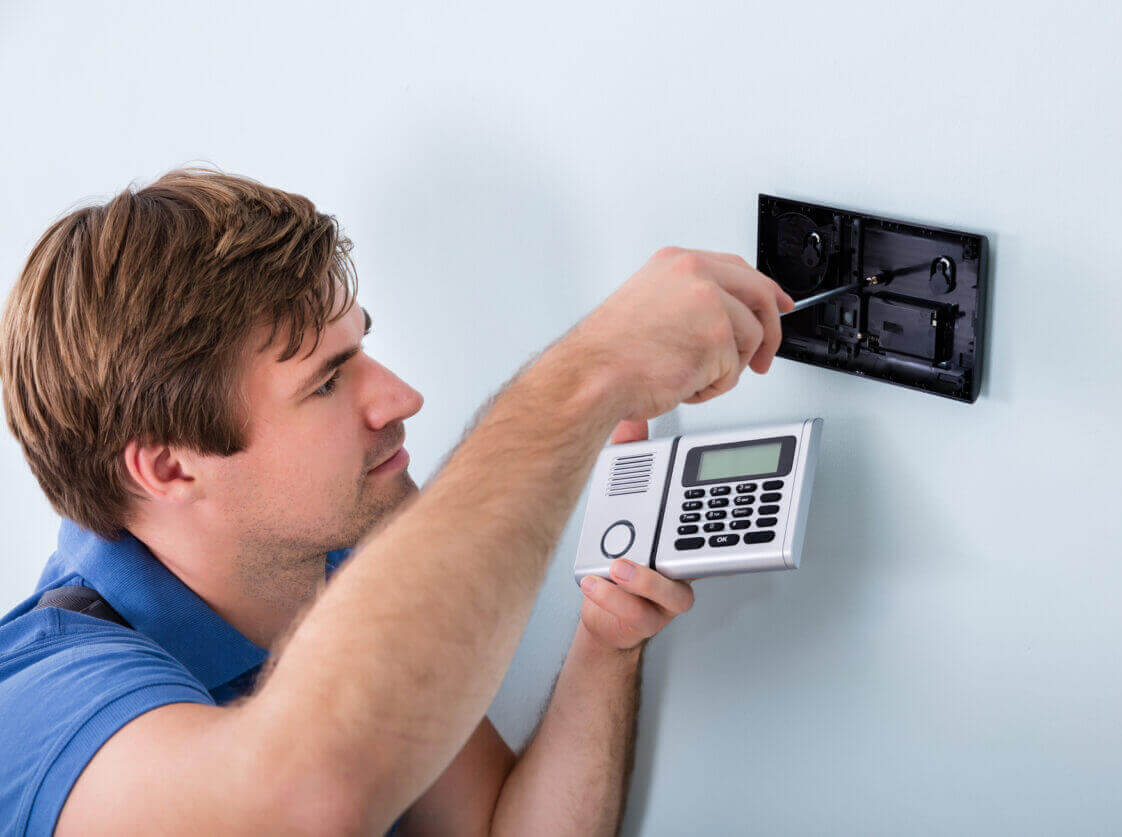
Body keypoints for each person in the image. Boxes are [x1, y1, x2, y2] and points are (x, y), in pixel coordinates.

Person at [0, 167, 793, 834]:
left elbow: (496, 827)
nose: (401, 398)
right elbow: (300, 801)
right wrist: (589, 374)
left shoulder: (323, 560)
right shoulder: (40, 702)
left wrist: (605, 640)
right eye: (326, 380)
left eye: (363, 345)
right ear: (170, 470)